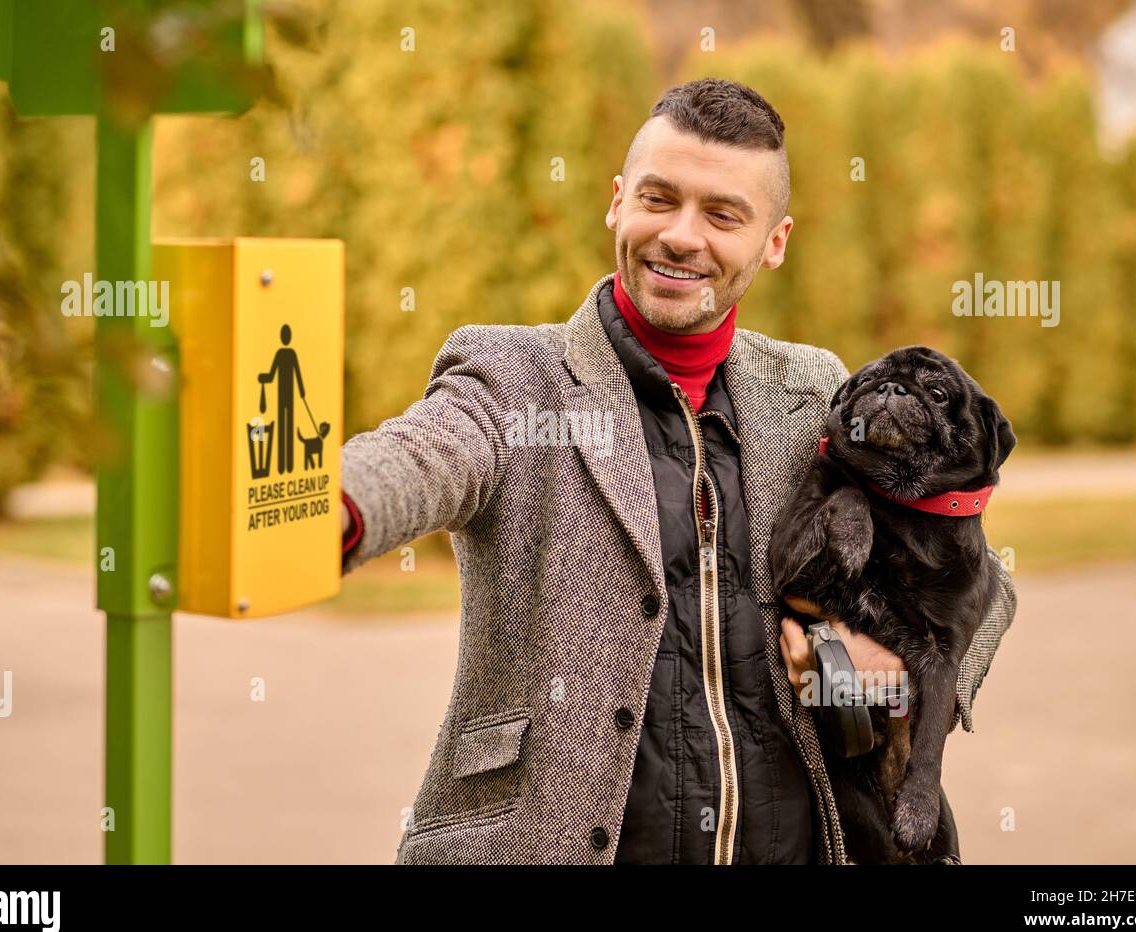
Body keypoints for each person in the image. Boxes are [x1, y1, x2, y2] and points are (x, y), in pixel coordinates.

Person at [338, 79, 1016, 864]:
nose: (681, 237)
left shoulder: (812, 391)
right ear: (618, 202)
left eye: (723, 214)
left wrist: (890, 670)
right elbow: (421, 456)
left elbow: (982, 585)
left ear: (775, 240)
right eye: (659, 199)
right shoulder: (514, 377)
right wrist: (332, 508)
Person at [259, 324, 306, 474]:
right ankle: (288, 463)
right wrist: (301, 392)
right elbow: (297, 375)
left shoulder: (282, 353)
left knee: (283, 427)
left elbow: (273, 374)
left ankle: (283, 464)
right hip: (287, 397)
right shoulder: (289, 353)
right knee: (288, 426)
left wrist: (264, 379)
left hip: (283, 396)